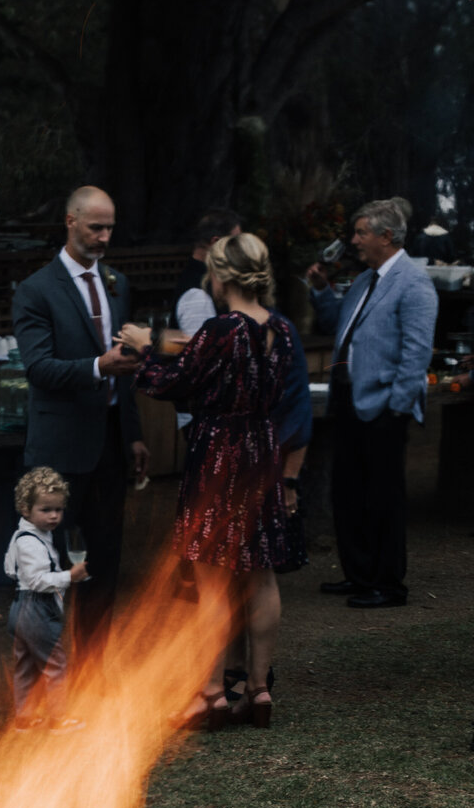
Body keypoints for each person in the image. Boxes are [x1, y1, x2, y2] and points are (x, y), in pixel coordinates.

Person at [121, 233, 292, 729]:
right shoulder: (279, 328)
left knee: (212, 578)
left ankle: (211, 693)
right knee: (261, 575)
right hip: (261, 447)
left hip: (220, 452)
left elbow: (172, 382)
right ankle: (258, 690)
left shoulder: (223, 328)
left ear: (221, 275)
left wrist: (142, 349)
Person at [12, 186, 148, 640]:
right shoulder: (36, 290)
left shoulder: (117, 283)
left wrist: (132, 433)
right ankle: (42, 664)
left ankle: (92, 670)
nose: (105, 236)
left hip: (109, 442)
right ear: (70, 222)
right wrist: (96, 367)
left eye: (110, 227)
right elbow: (38, 368)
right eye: (96, 227)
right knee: (44, 561)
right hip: (58, 449)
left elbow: (124, 366)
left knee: (104, 560)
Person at [307, 198, 438, 608]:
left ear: (386, 236)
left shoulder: (413, 282)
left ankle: (387, 584)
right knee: (349, 492)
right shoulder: (366, 281)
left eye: (361, 232)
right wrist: (321, 290)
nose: (353, 240)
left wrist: (396, 407)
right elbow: (337, 326)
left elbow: (417, 353)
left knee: (383, 497)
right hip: (348, 401)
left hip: (382, 407)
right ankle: (359, 575)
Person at [4, 466, 89, 729]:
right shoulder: (30, 542)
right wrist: (67, 577)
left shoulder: (29, 535)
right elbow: (38, 581)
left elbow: (9, 569)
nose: (53, 516)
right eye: (46, 510)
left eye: (58, 509)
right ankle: (58, 718)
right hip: (36, 609)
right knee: (56, 664)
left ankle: (25, 717)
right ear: (25, 509)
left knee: (26, 664)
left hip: (20, 607)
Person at [173, 209, 242, 335]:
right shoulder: (196, 294)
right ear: (216, 242)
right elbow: (201, 350)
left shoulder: (210, 278)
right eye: (234, 242)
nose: (240, 248)